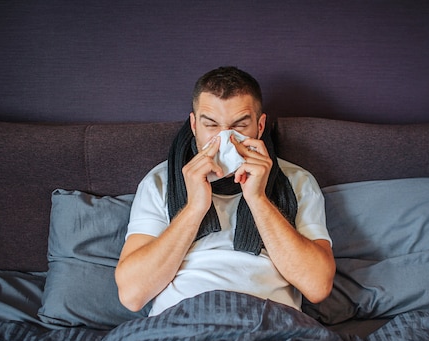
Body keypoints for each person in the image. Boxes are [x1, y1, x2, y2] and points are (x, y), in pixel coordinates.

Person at [115, 66, 335, 316]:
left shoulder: (297, 181)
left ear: (260, 126)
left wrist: (258, 198)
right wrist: (195, 207)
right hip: (180, 323)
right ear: (194, 125)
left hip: (267, 323)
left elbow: (317, 287)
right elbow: (132, 295)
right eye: (211, 125)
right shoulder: (160, 182)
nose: (225, 139)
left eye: (239, 126)